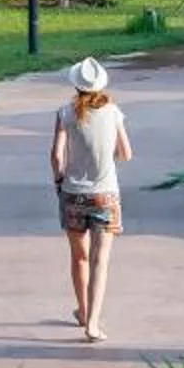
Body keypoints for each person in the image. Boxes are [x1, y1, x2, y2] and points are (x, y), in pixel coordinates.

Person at [49, 56, 133, 342]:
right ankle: (93, 323)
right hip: (106, 195)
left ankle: (83, 310)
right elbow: (126, 153)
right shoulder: (113, 112)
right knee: (100, 260)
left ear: (76, 85)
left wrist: (59, 180)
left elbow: (57, 156)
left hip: (73, 194)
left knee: (79, 257)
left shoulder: (65, 113)